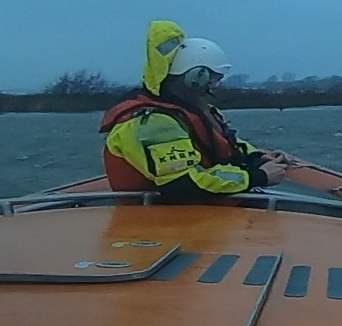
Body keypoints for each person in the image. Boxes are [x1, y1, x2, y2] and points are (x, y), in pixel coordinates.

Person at [100, 20, 291, 200]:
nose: (214, 85)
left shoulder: (192, 110)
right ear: (196, 77)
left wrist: (256, 157)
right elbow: (183, 184)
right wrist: (257, 177)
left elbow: (224, 142)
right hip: (160, 218)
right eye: (214, 78)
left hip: (199, 210)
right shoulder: (153, 123)